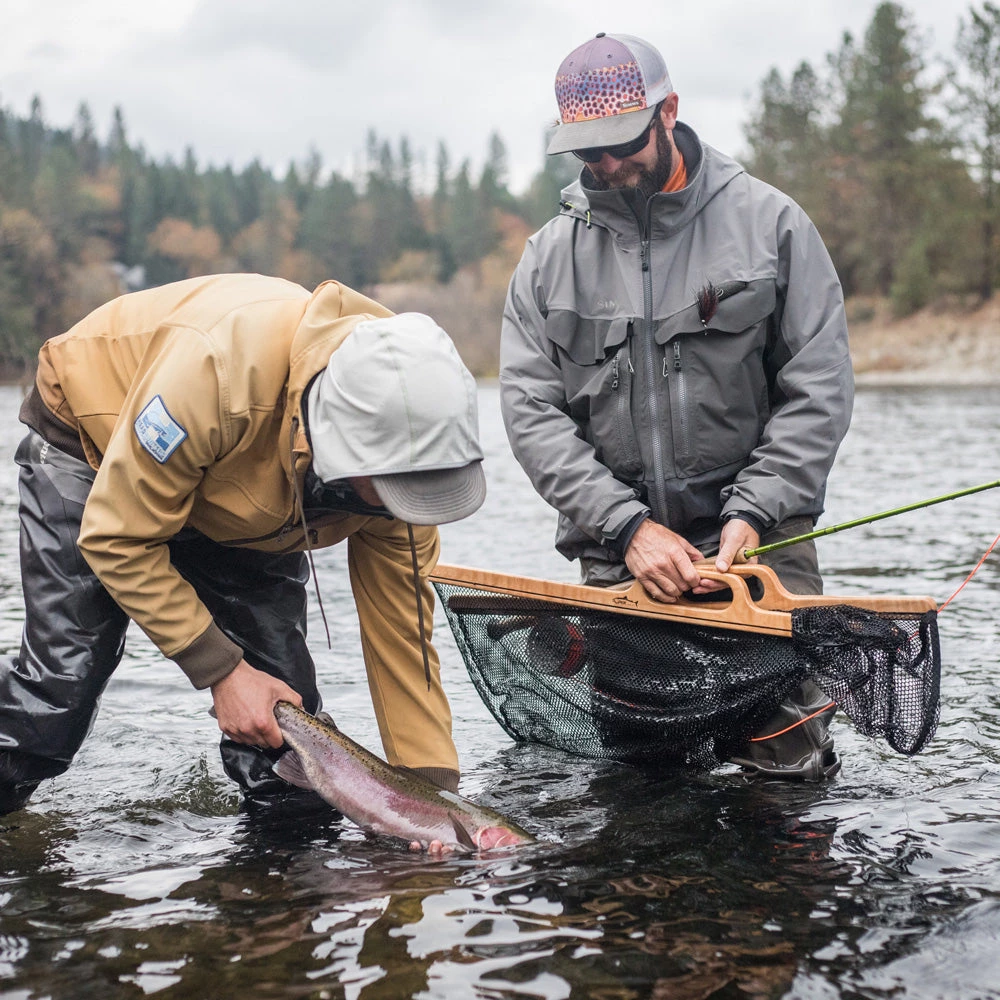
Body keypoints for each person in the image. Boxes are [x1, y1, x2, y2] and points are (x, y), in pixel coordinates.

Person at [0, 272, 486, 817]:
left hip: (243, 488)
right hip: (98, 442)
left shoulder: (412, 457)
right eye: (397, 489)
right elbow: (117, 537)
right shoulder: (215, 373)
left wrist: (434, 806)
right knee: (57, 700)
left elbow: (404, 642)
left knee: (286, 732)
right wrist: (223, 672)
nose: (409, 504)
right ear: (338, 443)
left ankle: (278, 891)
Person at [500, 33, 853, 780]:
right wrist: (628, 530)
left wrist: (753, 511)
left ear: (670, 112)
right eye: (586, 152)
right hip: (621, 561)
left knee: (785, 776)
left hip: (759, 551)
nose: (605, 165)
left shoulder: (773, 225)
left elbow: (818, 387)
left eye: (621, 143)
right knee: (642, 788)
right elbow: (531, 413)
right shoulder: (546, 260)